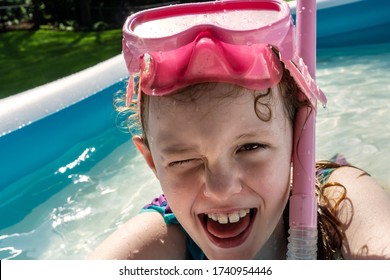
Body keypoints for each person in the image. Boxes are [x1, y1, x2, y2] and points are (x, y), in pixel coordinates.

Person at [88, 0, 390, 260]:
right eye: (184, 160)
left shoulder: (340, 198)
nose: (221, 189)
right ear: (152, 162)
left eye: (249, 148)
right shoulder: (164, 238)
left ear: (299, 135)